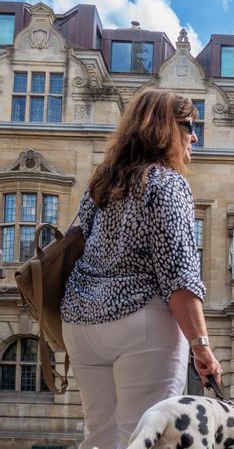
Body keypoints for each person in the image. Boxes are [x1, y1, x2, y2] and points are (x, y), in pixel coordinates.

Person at [61, 89, 222, 449]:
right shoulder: (167, 183)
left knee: (99, 438)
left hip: (81, 324)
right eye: (188, 126)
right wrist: (202, 348)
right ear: (165, 129)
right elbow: (179, 276)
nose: (193, 136)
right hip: (140, 320)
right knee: (149, 439)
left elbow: (76, 246)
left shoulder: (99, 186)